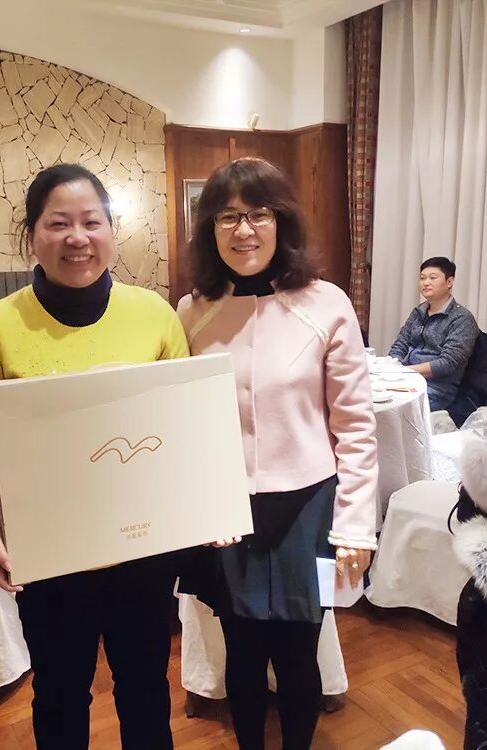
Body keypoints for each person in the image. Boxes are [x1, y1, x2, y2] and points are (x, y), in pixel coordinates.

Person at [0, 163, 189, 750]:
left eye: (91, 222)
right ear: (31, 234)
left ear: (111, 229)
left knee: (146, 687)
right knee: (59, 693)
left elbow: (181, 425)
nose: (76, 238)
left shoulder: (153, 314)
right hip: (50, 552)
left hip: (142, 548)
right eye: (58, 223)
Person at [177, 157, 378, 750]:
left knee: (297, 651)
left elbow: (356, 426)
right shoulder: (191, 312)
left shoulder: (326, 303)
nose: (244, 230)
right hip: (226, 512)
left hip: (308, 507)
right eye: (228, 217)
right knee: (239, 651)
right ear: (210, 230)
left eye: (258, 214)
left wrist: (356, 526)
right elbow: (181, 426)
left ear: (281, 221)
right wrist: (197, 508)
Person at [388, 257, 480, 412]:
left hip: (436, 388)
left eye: (432, 278)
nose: (426, 283)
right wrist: (392, 366)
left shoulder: (462, 318)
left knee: (392, 408)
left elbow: (448, 363)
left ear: (449, 282)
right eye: (422, 278)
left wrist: (405, 371)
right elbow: (400, 344)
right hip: (405, 379)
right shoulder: (419, 311)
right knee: (368, 396)